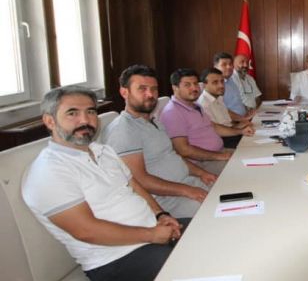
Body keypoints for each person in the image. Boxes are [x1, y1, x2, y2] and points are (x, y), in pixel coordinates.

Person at [22, 86, 186, 281]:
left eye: (91, 112)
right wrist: (152, 235)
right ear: (50, 121)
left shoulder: (103, 151)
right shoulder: (49, 171)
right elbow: (86, 231)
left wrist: (160, 214)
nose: (85, 120)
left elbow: (134, 186)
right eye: (72, 113)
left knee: (213, 232)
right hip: (116, 260)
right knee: (199, 266)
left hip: (153, 232)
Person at [103, 65, 216, 218]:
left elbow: (172, 156)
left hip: (188, 183)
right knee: (222, 213)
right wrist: (186, 190)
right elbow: (139, 180)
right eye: (142, 89)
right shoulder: (123, 130)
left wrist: (202, 173)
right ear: (124, 92)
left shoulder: (154, 121)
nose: (150, 94)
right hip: (166, 200)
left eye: (154, 89)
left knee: (236, 194)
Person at [160, 68, 232, 174]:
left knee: (251, 155)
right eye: (187, 85)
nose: (194, 88)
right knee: (244, 169)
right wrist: (218, 156)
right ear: (175, 88)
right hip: (201, 163)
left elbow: (213, 127)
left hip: (219, 153)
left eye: (195, 84)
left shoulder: (196, 105)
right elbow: (183, 150)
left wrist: (241, 131)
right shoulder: (172, 112)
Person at [197, 67, 255, 147]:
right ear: (204, 85)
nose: (221, 85)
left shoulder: (218, 97)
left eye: (222, 81)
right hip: (222, 140)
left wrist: (242, 120)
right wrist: (239, 129)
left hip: (231, 133)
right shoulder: (203, 104)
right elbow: (215, 130)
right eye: (215, 82)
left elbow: (227, 114)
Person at [213, 52, 254, 119]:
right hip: (232, 122)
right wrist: (242, 119)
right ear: (215, 67)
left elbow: (237, 101)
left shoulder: (232, 80)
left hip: (244, 118)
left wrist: (247, 109)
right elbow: (220, 110)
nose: (229, 67)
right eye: (224, 64)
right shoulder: (215, 86)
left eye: (230, 64)